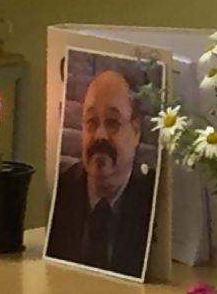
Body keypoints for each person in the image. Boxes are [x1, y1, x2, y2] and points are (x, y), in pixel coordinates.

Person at [47, 69, 157, 278]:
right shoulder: (60, 193)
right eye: (91, 122)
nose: (100, 135)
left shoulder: (154, 201)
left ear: (136, 132)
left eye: (112, 122)